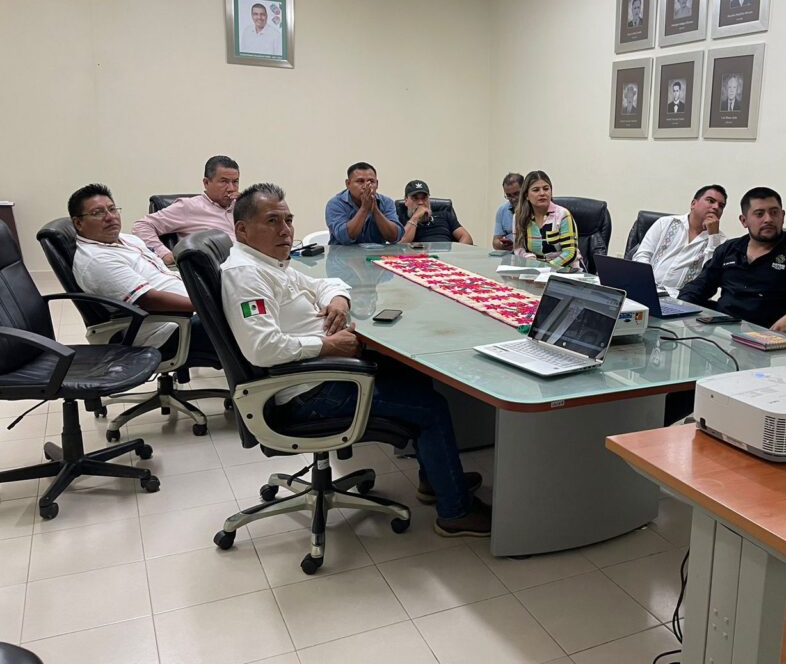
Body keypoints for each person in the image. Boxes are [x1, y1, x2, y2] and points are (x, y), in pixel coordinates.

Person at [221, 183, 490, 536]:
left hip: (321, 374)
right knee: (431, 407)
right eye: (272, 221)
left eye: (288, 220)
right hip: (309, 392)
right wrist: (328, 346)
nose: (285, 230)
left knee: (415, 375)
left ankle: (437, 480)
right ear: (243, 230)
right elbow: (262, 348)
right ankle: (455, 512)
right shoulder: (246, 274)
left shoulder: (270, 263)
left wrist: (338, 300)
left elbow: (325, 283)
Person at [69, 183, 215, 360]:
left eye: (112, 209)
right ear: (78, 223)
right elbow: (150, 300)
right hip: (168, 330)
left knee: (243, 306)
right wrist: (208, 305)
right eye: (98, 213)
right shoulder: (97, 260)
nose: (110, 217)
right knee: (241, 320)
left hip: (187, 310)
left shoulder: (127, 240)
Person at [679, 187, 786, 333]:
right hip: (723, 331)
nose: (768, 219)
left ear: (782, 216)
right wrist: (680, 305)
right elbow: (699, 287)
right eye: (759, 214)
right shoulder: (729, 249)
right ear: (744, 221)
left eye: (774, 213)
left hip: (768, 335)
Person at [131, 155, 240, 266]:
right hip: (218, 270)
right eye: (224, 182)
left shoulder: (241, 206)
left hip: (246, 267)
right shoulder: (189, 207)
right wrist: (163, 254)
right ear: (206, 183)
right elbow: (141, 226)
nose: (231, 188)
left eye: (235, 182)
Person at [633, 185, 728, 289]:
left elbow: (710, 276)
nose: (716, 207)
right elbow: (642, 255)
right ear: (693, 204)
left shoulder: (721, 242)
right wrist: (648, 283)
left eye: (721, 206)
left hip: (682, 296)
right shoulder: (665, 223)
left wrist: (713, 237)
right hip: (645, 286)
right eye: (710, 201)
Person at [513, 170, 581, 270]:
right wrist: (527, 257)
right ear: (526, 195)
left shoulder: (563, 215)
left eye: (546, 189)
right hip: (534, 270)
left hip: (565, 270)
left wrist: (546, 268)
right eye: (536, 190)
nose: (542, 193)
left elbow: (570, 253)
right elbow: (518, 248)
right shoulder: (519, 216)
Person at [325, 162, 402, 245]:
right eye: (360, 181)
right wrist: (364, 208)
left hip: (377, 252)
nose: (366, 186)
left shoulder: (386, 202)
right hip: (342, 252)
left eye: (371, 181)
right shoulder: (335, 204)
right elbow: (344, 238)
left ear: (377, 184)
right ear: (348, 184)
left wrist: (375, 209)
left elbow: (395, 237)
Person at [399, 180, 473, 244]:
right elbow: (402, 244)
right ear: (406, 200)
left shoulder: (444, 214)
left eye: (424, 198)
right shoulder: (401, 219)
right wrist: (415, 217)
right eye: (415, 198)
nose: (421, 202)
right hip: (422, 255)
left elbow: (466, 237)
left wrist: (456, 253)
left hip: (447, 253)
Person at [492, 172, 522, 251]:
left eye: (516, 194)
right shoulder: (502, 210)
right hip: (509, 252)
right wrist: (501, 244)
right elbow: (495, 241)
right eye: (509, 195)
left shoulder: (534, 208)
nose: (513, 199)